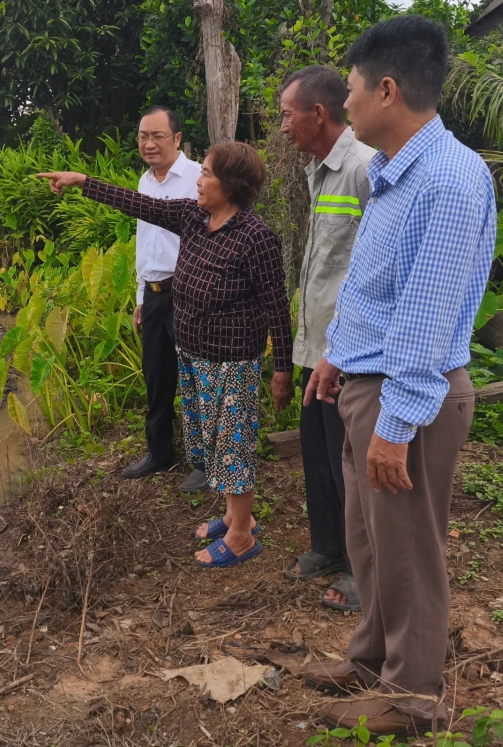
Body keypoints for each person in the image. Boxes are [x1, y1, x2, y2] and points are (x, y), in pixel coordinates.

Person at [298, 16, 496, 736]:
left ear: (387, 90)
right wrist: (338, 354)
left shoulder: (446, 180)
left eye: (350, 90)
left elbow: (427, 313)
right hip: (368, 383)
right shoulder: (393, 174)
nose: (345, 105)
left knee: (408, 550)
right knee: (369, 539)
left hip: (406, 395)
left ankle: (411, 695)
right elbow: (376, 289)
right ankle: (370, 661)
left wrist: (397, 421)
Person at [38, 141, 294, 567]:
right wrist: (83, 182)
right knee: (210, 441)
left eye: (207, 173)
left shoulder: (256, 237)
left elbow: (276, 306)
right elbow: (138, 203)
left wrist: (282, 368)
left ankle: (242, 537)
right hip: (193, 354)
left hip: (231, 360)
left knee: (232, 444)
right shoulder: (195, 217)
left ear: (230, 185)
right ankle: (236, 516)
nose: (199, 179)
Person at [278, 66, 376, 613]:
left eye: (288, 114)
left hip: (350, 355)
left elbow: (371, 271)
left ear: (318, 114)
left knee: (352, 469)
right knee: (317, 456)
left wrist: (343, 354)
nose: (284, 124)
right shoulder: (319, 168)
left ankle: (366, 572)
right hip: (316, 347)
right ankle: (328, 548)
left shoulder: (363, 167)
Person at [122, 107, 205, 489]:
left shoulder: (199, 177)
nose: (149, 144)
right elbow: (147, 244)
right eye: (143, 136)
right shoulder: (144, 181)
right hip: (154, 296)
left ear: (176, 138)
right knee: (157, 378)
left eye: (157, 136)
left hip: (188, 293)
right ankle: (159, 452)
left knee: (196, 378)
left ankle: (204, 462)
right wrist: (141, 296)